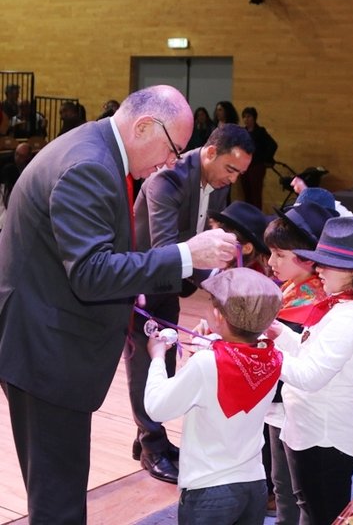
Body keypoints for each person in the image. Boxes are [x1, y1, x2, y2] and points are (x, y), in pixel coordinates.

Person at [0, 84, 240, 524]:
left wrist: (136, 283)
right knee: (58, 499)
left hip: (47, 340)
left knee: (59, 487)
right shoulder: (90, 165)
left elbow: (85, 254)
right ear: (145, 125)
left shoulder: (95, 150)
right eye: (174, 149)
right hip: (46, 351)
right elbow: (91, 272)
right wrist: (188, 254)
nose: (172, 162)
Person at [128, 122, 254, 484]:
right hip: (142, 281)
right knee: (144, 361)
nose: (232, 179)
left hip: (171, 281)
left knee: (164, 358)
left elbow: (203, 240)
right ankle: (151, 443)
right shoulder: (165, 180)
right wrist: (211, 276)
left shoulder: (216, 183)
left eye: (240, 173)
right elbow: (164, 249)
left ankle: (150, 437)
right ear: (210, 152)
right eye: (230, 169)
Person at [265, 216, 353, 525]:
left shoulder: (348, 317)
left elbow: (310, 376)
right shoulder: (345, 308)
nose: (319, 268)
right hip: (322, 430)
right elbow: (310, 353)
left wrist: (265, 355)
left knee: (321, 513)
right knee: (318, 509)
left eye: (328, 263)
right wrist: (279, 333)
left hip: (324, 436)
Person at [144, 267, 284, 525]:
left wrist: (157, 357)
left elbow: (156, 408)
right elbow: (240, 352)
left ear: (218, 316)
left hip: (209, 489)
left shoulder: (207, 363)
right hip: (253, 483)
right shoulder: (273, 357)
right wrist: (217, 340)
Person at [264, 201, 331, 525]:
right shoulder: (291, 288)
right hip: (278, 404)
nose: (270, 262)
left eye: (279, 254)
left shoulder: (320, 302)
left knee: (301, 488)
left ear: (306, 256)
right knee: (281, 483)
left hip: (303, 407)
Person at [240, 106, 278, 210]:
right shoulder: (242, 132)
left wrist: (264, 158)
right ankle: (247, 216)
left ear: (254, 118)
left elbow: (273, 145)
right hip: (244, 166)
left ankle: (257, 216)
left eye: (248, 116)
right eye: (244, 117)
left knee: (256, 193)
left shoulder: (260, 132)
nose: (246, 119)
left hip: (256, 166)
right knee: (246, 192)